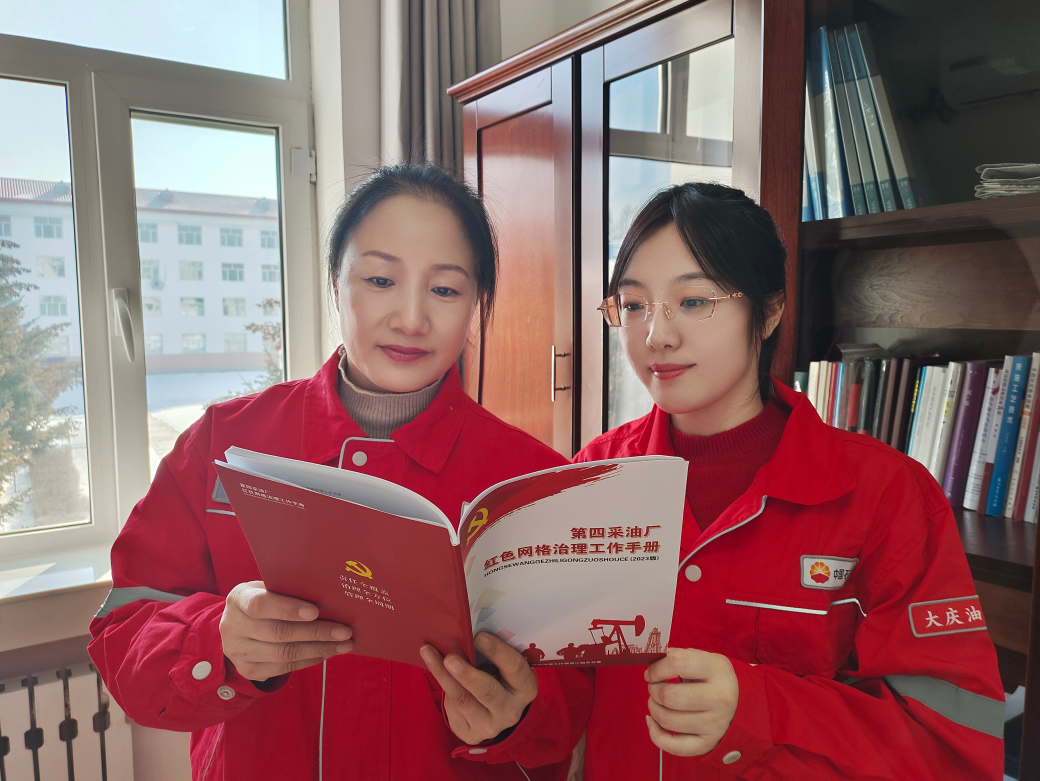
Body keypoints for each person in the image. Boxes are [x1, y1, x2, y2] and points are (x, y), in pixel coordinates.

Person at [89, 163, 592, 781]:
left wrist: (518, 717)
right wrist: (216, 640)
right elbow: (123, 634)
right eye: (380, 279)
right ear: (335, 283)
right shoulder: (224, 442)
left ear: (478, 303)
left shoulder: (532, 481)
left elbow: (575, 699)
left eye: (445, 290)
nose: (411, 319)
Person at [573, 182, 1005, 779]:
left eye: (694, 300)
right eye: (633, 305)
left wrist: (763, 707)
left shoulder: (886, 496)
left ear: (770, 310)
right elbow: (568, 693)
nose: (656, 336)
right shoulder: (591, 478)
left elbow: (953, 746)